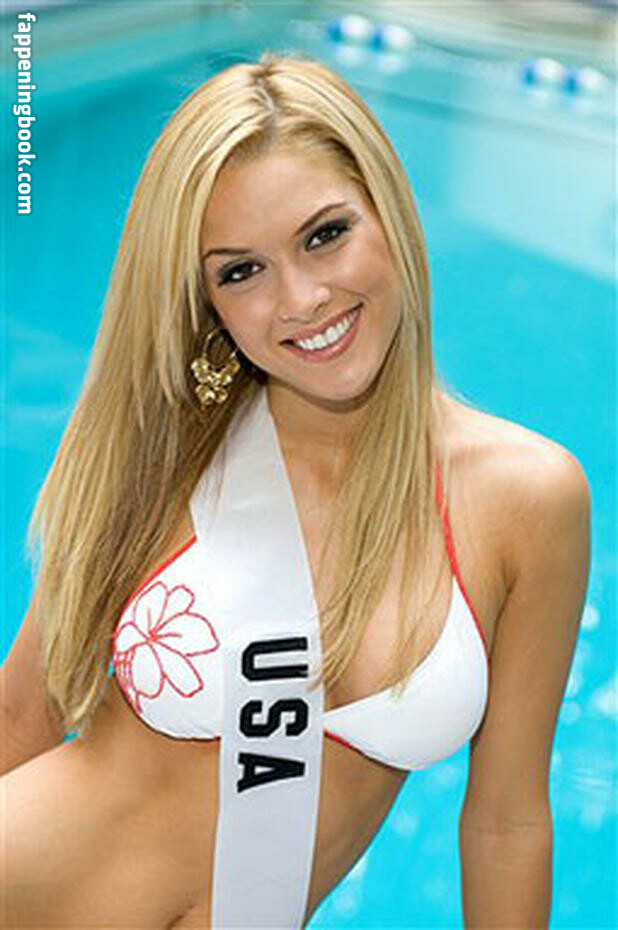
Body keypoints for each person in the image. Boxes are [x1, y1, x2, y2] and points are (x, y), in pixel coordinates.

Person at [1, 52, 591, 929]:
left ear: (390, 210)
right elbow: (21, 716)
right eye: (241, 271)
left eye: (325, 235)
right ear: (208, 301)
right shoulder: (168, 454)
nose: (304, 299)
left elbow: (507, 823)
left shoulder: (527, 498)